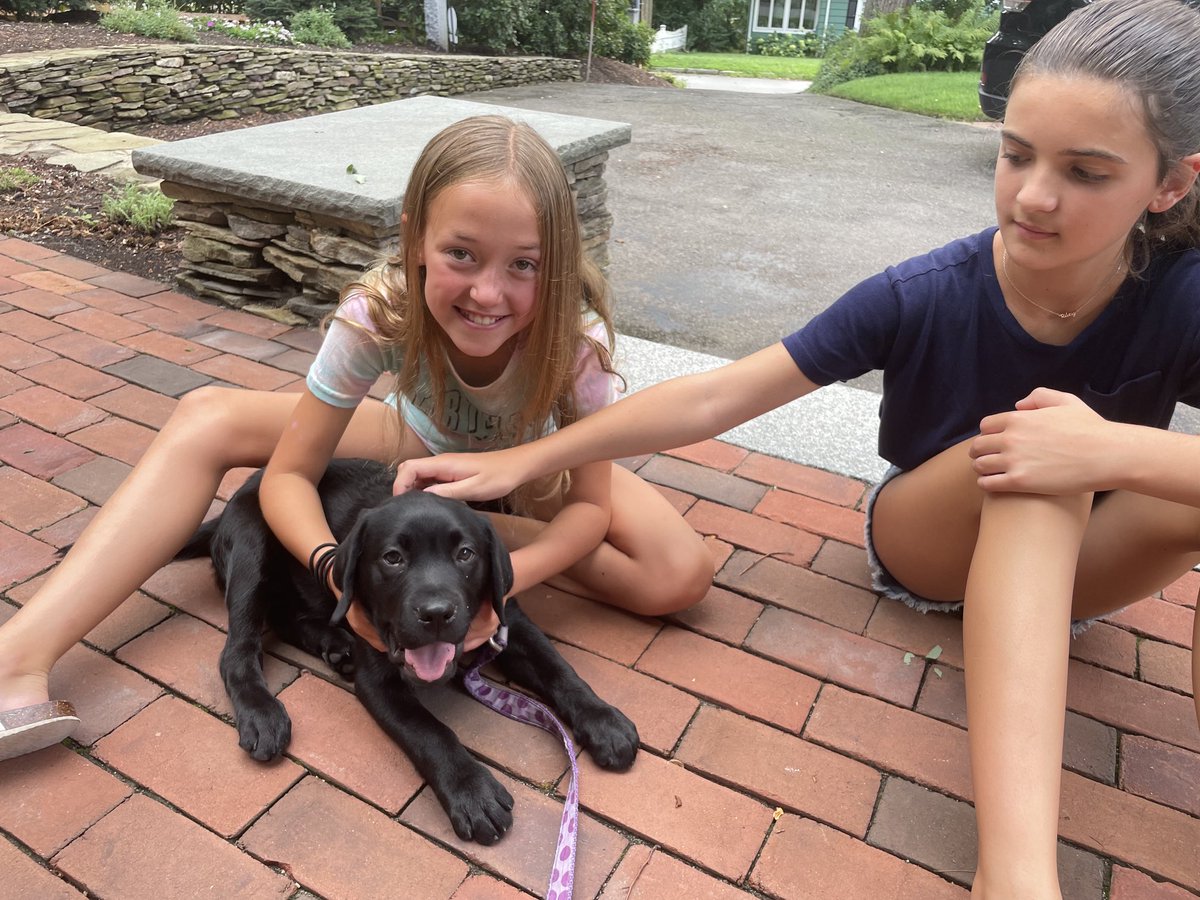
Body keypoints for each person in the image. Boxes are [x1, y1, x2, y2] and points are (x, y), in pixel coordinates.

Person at [393, 2, 1200, 896]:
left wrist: (1115, 455)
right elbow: (718, 395)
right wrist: (528, 461)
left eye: (1085, 172)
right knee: (1031, 453)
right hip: (927, 543)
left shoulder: (1183, 294)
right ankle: (1014, 880)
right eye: (1016, 155)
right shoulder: (924, 291)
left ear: (1171, 184)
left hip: (1085, 559)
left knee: (1082, 461)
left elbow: (1120, 470)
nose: (1033, 195)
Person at [0, 115, 712, 762]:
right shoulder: (380, 310)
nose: (488, 294)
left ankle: (472, 542)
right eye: (461, 254)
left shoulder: (573, 341)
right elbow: (286, 478)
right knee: (207, 415)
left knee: (677, 574)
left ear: (552, 263)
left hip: (532, 470)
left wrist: (498, 586)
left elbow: (587, 507)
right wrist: (340, 571)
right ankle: (17, 661)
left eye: (523, 264)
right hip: (414, 442)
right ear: (415, 240)